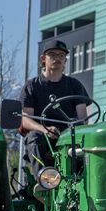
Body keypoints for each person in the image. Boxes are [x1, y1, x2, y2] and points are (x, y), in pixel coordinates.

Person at [19, 40, 90, 173]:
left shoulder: (75, 85)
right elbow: (25, 119)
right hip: (43, 136)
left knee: (90, 140)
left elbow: (82, 119)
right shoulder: (32, 86)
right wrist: (45, 129)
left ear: (65, 60)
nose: (57, 58)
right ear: (43, 59)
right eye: (52, 54)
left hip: (69, 134)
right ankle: (44, 180)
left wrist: (72, 129)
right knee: (33, 137)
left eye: (61, 55)